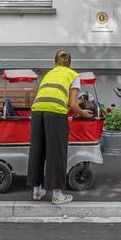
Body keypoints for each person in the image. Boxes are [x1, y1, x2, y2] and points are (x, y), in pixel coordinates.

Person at [28, 50, 93, 204]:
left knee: (38, 149)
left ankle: (37, 191)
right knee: (56, 152)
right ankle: (57, 195)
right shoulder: (73, 75)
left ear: (55, 61)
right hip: (55, 112)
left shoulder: (49, 74)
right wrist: (83, 113)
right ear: (70, 62)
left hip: (37, 111)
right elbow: (72, 104)